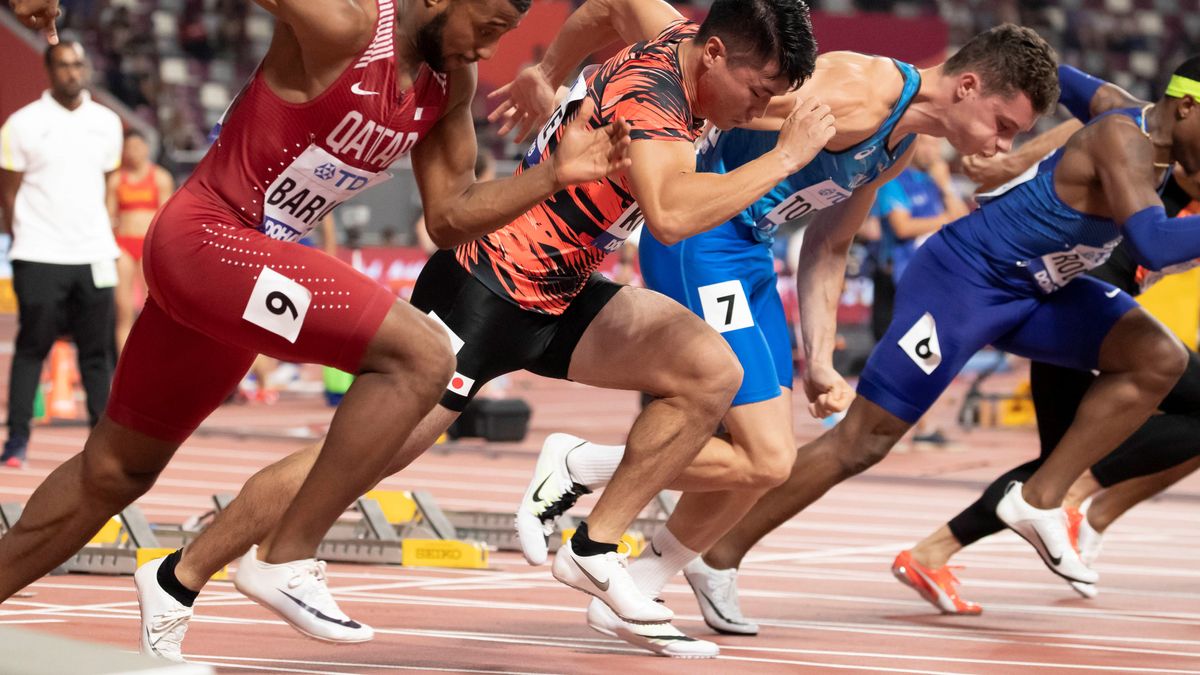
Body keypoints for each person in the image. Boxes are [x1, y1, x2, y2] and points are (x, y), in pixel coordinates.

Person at [125, 0, 834, 661]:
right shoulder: (655, 102)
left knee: (709, 369)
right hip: (485, 287)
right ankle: (180, 576)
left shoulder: (675, 31)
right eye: (759, 89)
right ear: (714, 55)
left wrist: (548, 72)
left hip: (561, 292)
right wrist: (787, 155)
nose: (765, 108)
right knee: (359, 455)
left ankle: (593, 542)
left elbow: (609, 5)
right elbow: (674, 212)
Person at [0, 0, 634, 662]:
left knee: (116, 469)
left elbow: (449, 217)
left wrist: (552, 175)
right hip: (205, 239)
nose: (489, 48)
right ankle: (286, 554)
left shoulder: (450, 84)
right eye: (491, 24)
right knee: (423, 355)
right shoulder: (346, 23)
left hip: (243, 282)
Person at [497, 1, 1056, 651]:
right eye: (1004, 124)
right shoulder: (859, 92)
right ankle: (583, 470)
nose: (1002, 146)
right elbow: (712, 89)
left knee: (767, 460)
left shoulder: (900, 142)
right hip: (699, 237)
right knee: (766, 451)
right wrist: (563, 77)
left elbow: (829, 244)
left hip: (750, 251)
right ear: (967, 87)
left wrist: (819, 357)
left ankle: (643, 577)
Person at [699, 56, 1200, 627]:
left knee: (1157, 356)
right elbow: (1155, 243)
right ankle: (718, 553)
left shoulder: (1126, 117)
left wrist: (1021, 155)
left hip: (1041, 288)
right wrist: (1005, 143)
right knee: (863, 442)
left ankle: (1039, 500)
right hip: (965, 281)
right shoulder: (1124, 137)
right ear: (1187, 105)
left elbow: (1046, 70)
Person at [898, 87, 1200, 611]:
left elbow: (1085, 99)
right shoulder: (1155, 147)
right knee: (1169, 400)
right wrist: (1016, 159)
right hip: (1076, 306)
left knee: (1054, 461)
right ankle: (1082, 500)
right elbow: (1071, 89)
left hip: (1082, 307)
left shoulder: (1151, 139)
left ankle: (932, 552)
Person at [0, 40, 123, 468]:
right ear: (49, 71)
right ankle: (16, 442)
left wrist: (102, 230)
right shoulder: (22, 124)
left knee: (97, 355)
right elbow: (8, 193)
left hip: (93, 254)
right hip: (39, 253)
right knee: (33, 348)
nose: (73, 72)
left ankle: (103, 448)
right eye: (64, 66)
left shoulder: (107, 123)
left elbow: (108, 184)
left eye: (78, 64)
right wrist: (24, 241)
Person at [870, 134, 969, 446]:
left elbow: (962, 221)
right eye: (925, 144)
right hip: (895, 278)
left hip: (930, 281)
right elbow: (902, 227)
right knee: (896, 353)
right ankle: (885, 425)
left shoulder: (933, 184)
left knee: (924, 354)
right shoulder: (895, 180)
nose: (932, 151)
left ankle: (918, 426)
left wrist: (945, 186)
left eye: (936, 145)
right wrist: (945, 219)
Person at [108, 128, 174, 352]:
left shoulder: (160, 177)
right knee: (123, 310)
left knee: (151, 308)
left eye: (137, 147)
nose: (133, 152)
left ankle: (152, 358)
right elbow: (109, 215)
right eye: (129, 148)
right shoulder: (117, 180)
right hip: (124, 246)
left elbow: (166, 218)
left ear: (146, 148)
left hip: (148, 246)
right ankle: (122, 367)